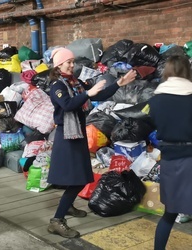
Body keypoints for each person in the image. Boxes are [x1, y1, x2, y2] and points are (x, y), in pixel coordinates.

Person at [47, 47, 136, 238]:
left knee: (81, 176)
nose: (72, 65)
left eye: (72, 61)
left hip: (76, 134)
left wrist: (119, 83)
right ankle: (57, 221)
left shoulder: (74, 83)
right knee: (78, 178)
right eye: (68, 62)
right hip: (67, 137)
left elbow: (98, 95)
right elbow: (68, 105)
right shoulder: (57, 86)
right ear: (58, 65)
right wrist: (88, 93)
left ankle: (67, 205)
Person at [147, 55, 192, 250]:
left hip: (169, 161)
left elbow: (151, 123)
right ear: (187, 71)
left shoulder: (156, 99)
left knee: (170, 212)